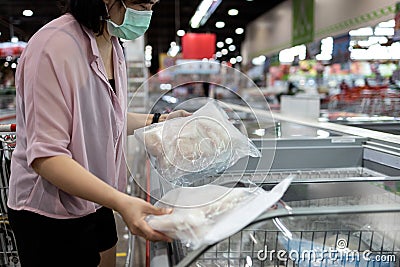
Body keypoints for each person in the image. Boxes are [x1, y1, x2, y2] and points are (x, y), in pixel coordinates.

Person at [7, 0, 190, 266]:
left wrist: (162, 119)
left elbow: (105, 117)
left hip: (95, 196)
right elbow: (47, 155)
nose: (147, 14)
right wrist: (122, 202)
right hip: (50, 211)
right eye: (141, 3)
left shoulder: (112, 45)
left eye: (152, 4)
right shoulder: (53, 46)